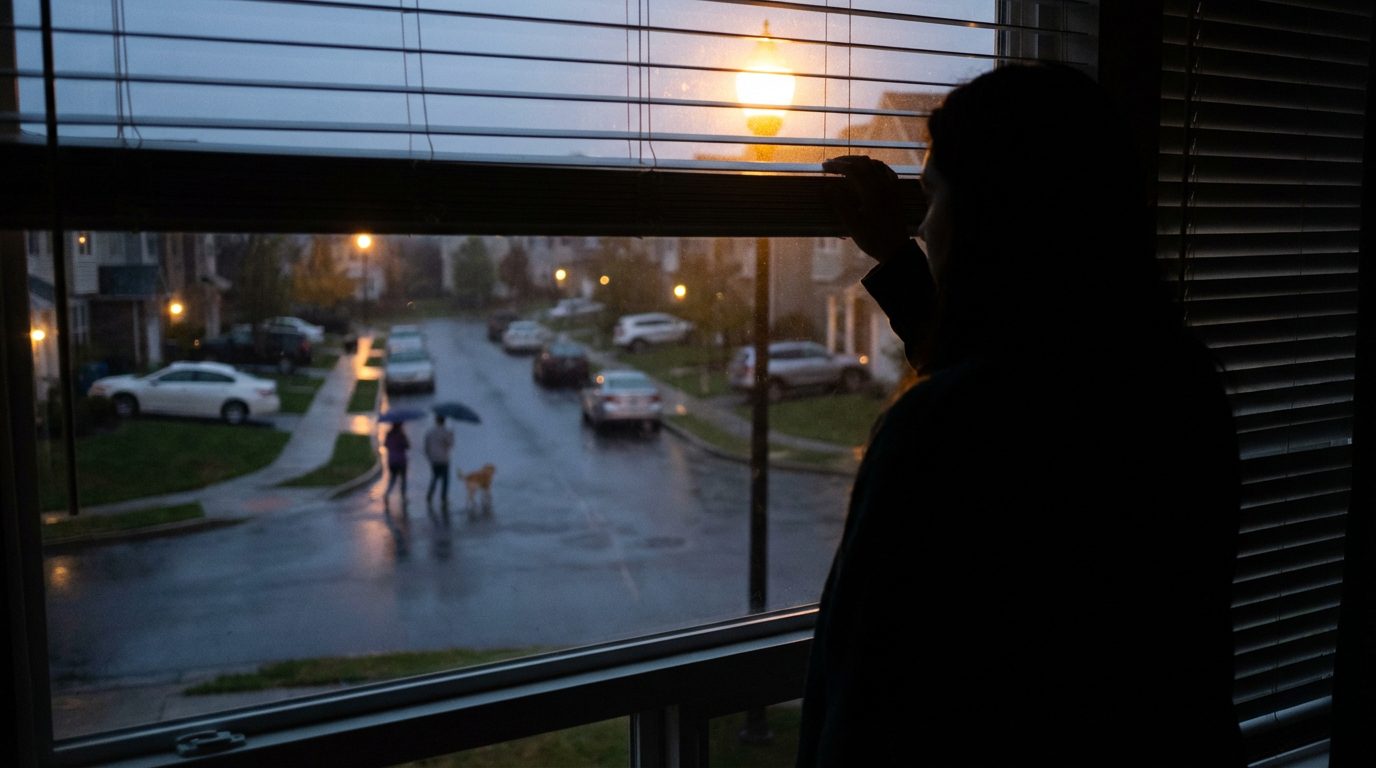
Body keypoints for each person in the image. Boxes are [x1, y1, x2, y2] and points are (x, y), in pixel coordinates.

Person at [798, 64, 1243, 766]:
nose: (925, 222)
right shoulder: (1175, 385)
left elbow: (867, 702)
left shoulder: (942, 433)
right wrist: (901, 260)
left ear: (990, 219)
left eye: (933, 197)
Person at [423, 414, 455, 504]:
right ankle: (443, 498)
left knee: (434, 477)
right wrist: (452, 435)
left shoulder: (430, 432)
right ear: (444, 421)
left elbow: (426, 447)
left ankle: (429, 496)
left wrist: (429, 457)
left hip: (434, 459)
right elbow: (451, 444)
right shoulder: (446, 432)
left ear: (436, 421)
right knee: (445, 480)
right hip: (444, 459)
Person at [383, 422, 410, 501]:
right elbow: (407, 446)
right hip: (401, 461)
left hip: (392, 460)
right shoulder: (401, 436)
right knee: (403, 479)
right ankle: (403, 496)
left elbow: (385, 445)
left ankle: (387, 493)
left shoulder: (389, 435)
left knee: (392, 478)